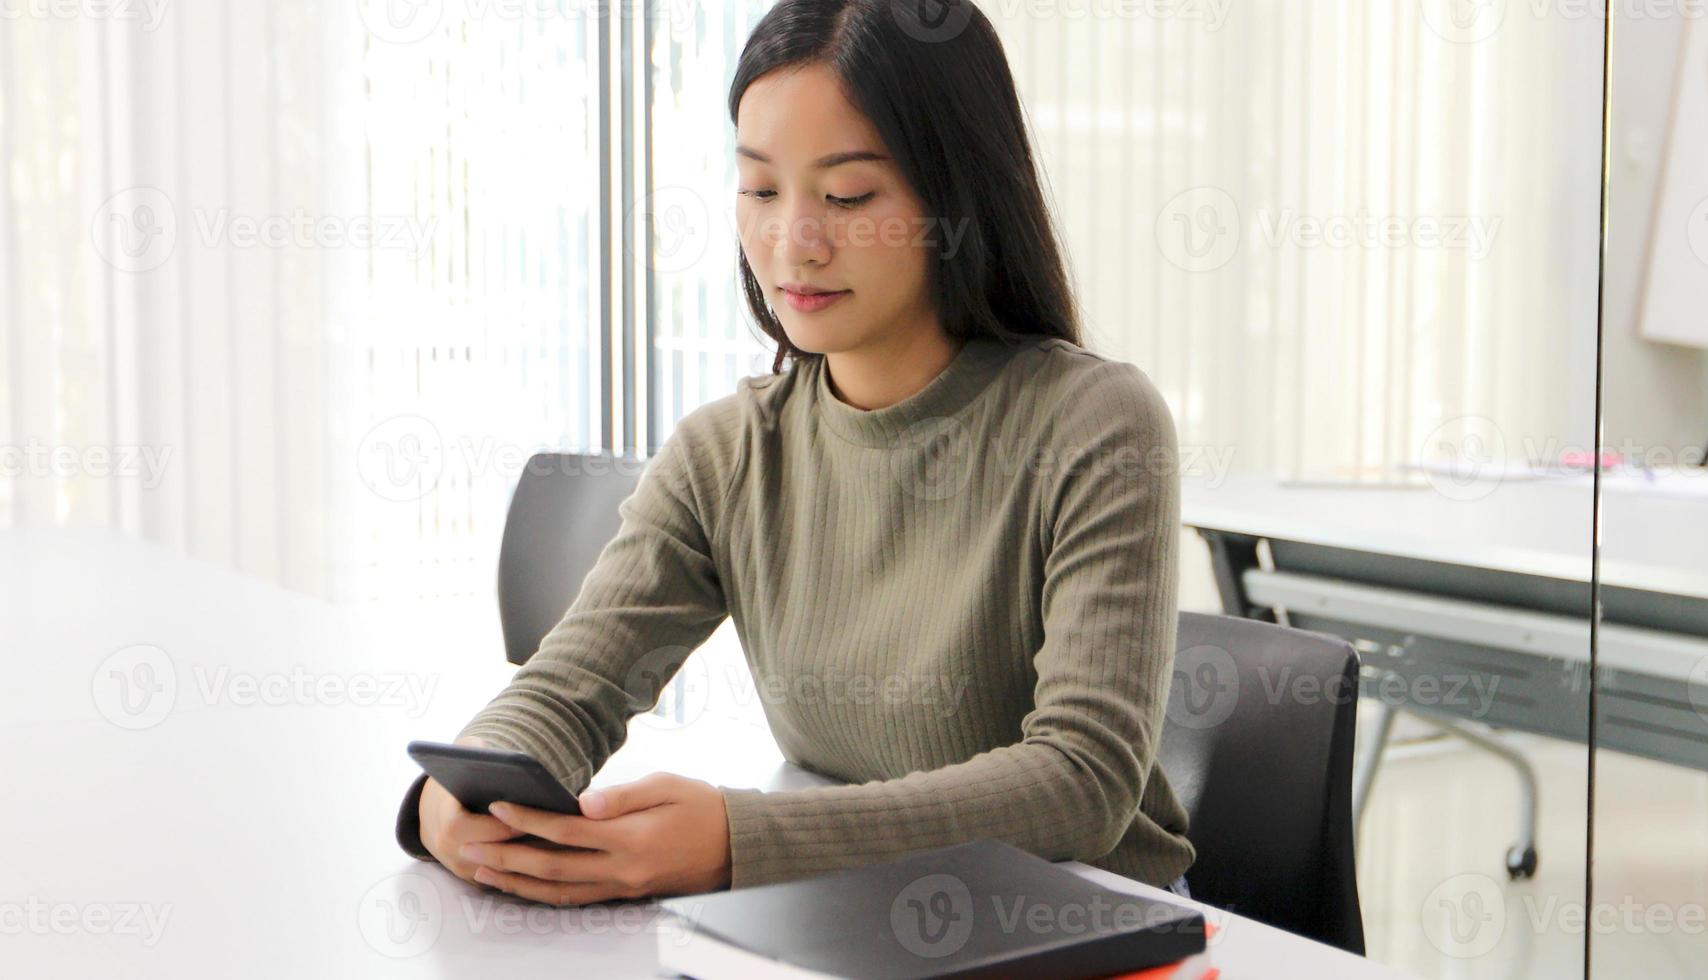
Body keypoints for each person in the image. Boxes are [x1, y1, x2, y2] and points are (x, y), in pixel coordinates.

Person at [395, 0, 1195, 906]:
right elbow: (572, 687)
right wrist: (454, 797)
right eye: (761, 189)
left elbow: (1079, 780)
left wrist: (737, 841)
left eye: (848, 195)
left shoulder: (1094, 423)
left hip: (1082, 924)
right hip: (865, 915)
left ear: (957, 197)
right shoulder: (728, 451)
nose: (793, 242)